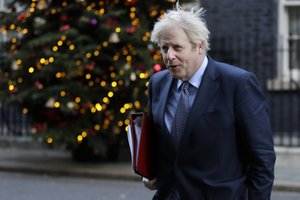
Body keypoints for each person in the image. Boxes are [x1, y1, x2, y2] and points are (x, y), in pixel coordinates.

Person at [144, 2, 276, 200]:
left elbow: (262, 157)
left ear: (200, 46)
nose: (169, 56)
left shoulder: (237, 84)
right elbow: (161, 143)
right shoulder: (157, 83)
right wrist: (150, 170)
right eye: (164, 48)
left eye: (177, 47)